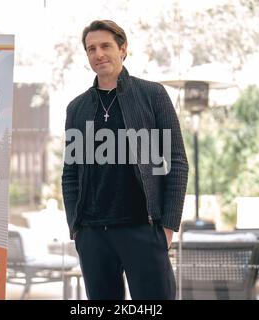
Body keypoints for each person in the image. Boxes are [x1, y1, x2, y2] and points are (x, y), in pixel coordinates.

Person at [62, 20, 189, 300]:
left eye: (105, 46)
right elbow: (70, 173)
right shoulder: (77, 108)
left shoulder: (152, 95)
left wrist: (167, 226)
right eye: (91, 49)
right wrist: (77, 228)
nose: (98, 54)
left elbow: (177, 161)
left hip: (143, 229)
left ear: (123, 49)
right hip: (93, 235)